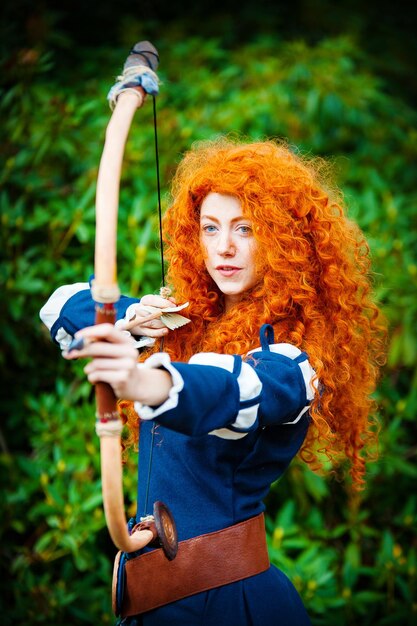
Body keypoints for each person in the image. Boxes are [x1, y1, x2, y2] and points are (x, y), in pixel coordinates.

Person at [40, 136, 385, 625]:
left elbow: (233, 391)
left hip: (229, 604)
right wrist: (134, 320)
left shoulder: (294, 360)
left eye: (246, 229)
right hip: (155, 607)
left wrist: (142, 381)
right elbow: (59, 306)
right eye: (210, 228)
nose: (224, 247)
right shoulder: (180, 325)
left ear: (284, 239)